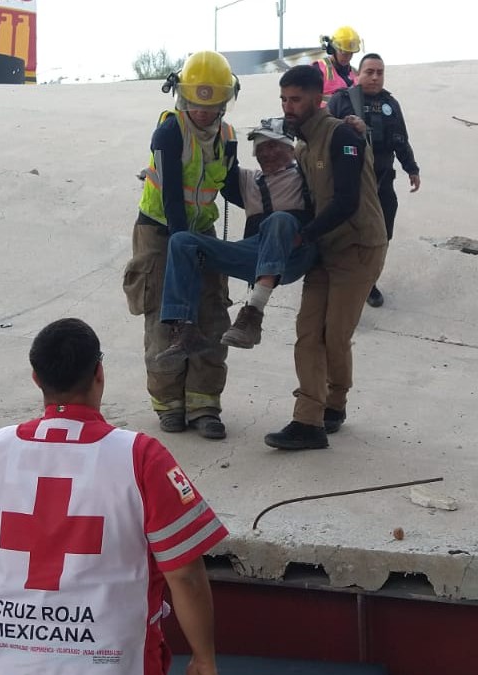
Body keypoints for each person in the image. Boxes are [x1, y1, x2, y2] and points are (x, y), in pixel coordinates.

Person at [0, 318, 226, 675]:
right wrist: (204, 658)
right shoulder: (141, 458)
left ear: (36, 379)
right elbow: (185, 574)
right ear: (99, 373)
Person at [265, 65, 387, 451]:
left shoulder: (342, 135)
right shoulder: (301, 147)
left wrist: (305, 234)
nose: (288, 106)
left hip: (359, 247)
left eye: (295, 99)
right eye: (284, 99)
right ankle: (308, 421)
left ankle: (335, 402)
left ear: (317, 98)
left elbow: (347, 202)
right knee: (308, 332)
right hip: (323, 250)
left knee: (335, 335)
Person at [124, 50, 239, 440]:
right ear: (181, 97)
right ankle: (169, 405)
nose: (203, 113)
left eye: (212, 106)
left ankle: (204, 404)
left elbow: (230, 187)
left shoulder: (227, 137)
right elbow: (172, 196)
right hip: (160, 232)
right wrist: (180, 248)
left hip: (201, 230)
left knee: (210, 314)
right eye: (195, 104)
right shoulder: (169, 132)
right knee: (164, 317)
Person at [155, 117, 318, 365]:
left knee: (280, 220)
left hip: (294, 254)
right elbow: (216, 169)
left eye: (274, 145)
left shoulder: (307, 174)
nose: (267, 152)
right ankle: (185, 330)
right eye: (261, 148)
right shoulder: (248, 180)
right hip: (253, 254)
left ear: (290, 148)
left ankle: (253, 314)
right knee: (181, 241)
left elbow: (333, 158)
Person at [328, 53, 421, 308]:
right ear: (358, 74)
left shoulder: (390, 104)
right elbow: (323, 137)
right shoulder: (341, 100)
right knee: (347, 236)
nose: (375, 77)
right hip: (349, 183)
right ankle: (345, 284)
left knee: (383, 234)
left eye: (380, 72)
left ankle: (368, 282)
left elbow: (400, 138)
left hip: (382, 181)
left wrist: (411, 168)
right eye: (369, 71)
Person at [315, 26, 362, 105]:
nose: (347, 56)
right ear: (332, 49)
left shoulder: (355, 73)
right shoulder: (319, 68)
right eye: (343, 52)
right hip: (324, 116)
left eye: (350, 53)